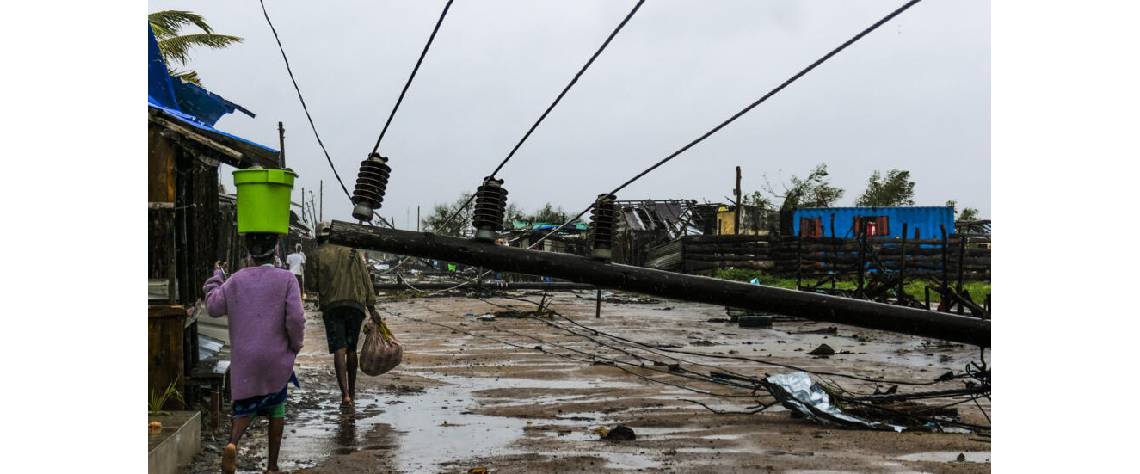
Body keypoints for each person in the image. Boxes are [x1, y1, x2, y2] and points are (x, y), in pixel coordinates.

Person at [202, 233, 305, 474]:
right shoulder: (287, 279)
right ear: (276, 251)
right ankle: (272, 466)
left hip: (244, 360)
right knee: (277, 405)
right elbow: (296, 319)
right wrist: (295, 345)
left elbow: (213, 307)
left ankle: (232, 443)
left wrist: (216, 278)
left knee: (245, 407)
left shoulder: (236, 280)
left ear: (249, 254)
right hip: (275, 358)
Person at [312, 222, 378, 407]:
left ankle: (345, 396)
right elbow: (366, 279)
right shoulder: (352, 252)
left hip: (332, 307)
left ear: (319, 238)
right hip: (356, 306)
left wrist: (327, 284)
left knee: (339, 349)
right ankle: (353, 393)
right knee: (351, 349)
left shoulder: (317, 254)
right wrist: (372, 307)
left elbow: (310, 284)